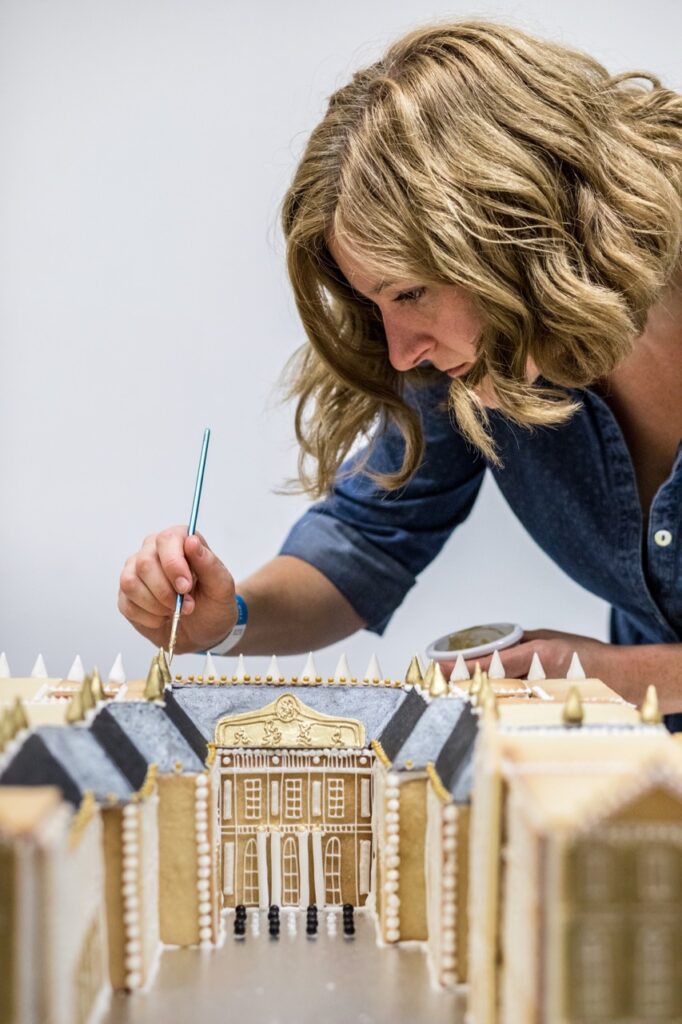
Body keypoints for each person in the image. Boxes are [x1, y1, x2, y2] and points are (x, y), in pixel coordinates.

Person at [118, 21, 682, 722]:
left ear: (520, 230)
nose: (399, 352)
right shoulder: (475, 360)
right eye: (375, 304)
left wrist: (618, 675)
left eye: (411, 293)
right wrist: (226, 617)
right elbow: (364, 543)